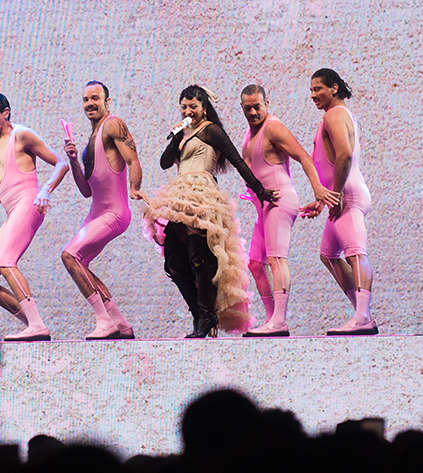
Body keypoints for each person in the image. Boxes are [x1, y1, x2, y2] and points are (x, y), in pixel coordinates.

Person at [145, 85, 273, 337]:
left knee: (198, 255)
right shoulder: (183, 132)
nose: (188, 111)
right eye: (184, 106)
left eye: (193, 106)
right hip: (179, 196)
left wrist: (260, 190)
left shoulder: (211, 130)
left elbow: (236, 160)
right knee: (173, 261)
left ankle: (204, 317)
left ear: (204, 108)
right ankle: (201, 314)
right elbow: (163, 163)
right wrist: (176, 140)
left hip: (202, 192)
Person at [237, 83, 338, 337]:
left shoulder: (274, 127)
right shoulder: (248, 135)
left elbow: (303, 156)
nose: (252, 112)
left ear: (266, 104)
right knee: (254, 263)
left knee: (276, 259)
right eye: (247, 108)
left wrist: (318, 191)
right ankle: (272, 318)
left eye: (257, 107)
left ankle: (279, 320)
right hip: (263, 205)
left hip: (280, 201)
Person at [0, 92, 69, 342]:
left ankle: (36, 326)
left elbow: (61, 163)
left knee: (6, 262)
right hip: (12, 209)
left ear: (6, 112)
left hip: (29, 205)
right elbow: (11, 182)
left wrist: (45, 191)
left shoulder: (21, 134)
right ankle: (33, 324)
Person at [60, 81, 142, 340]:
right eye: (85, 99)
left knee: (70, 255)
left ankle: (103, 321)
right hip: (97, 211)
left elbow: (133, 159)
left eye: (95, 98)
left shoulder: (113, 124)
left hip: (114, 213)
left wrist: (134, 187)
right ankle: (120, 323)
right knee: (78, 262)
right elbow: (86, 190)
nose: (89, 103)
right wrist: (74, 161)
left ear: (107, 101)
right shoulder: (91, 138)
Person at [309, 68, 377, 335]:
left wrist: (335, 193)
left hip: (347, 195)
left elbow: (345, 155)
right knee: (329, 255)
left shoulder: (335, 114)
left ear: (334, 88)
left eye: (318, 89)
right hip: (342, 195)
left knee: (356, 253)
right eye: (311, 90)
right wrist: (322, 199)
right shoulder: (338, 114)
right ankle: (362, 314)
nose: (313, 95)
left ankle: (362, 318)